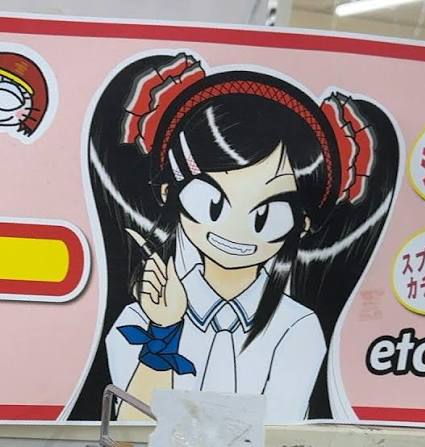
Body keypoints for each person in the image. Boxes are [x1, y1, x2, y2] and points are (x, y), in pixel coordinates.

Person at [69, 52, 400, 423]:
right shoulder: (141, 317)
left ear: (302, 223)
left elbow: (274, 432)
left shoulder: (297, 327)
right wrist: (163, 329)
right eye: (211, 202)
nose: (236, 229)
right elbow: (132, 431)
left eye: (266, 215)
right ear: (169, 193)